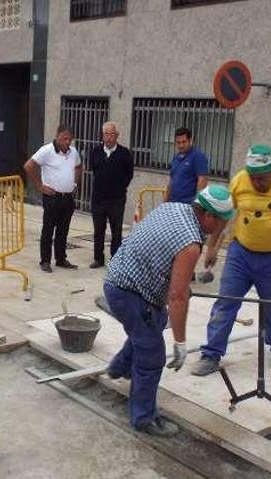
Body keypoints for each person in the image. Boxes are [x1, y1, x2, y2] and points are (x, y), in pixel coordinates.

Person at [103, 185, 234, 437]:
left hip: (121, 279)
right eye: (223, 222)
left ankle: (119, 367)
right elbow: (177, 298)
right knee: (152, 355)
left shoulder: (173, 207)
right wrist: (181, 342)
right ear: (208, 216)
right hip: (128, 292)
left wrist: (183, 279)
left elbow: (159, 251)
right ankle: (144, 418)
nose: (223, 228)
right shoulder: (191, 244)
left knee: (153, 324)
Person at [192, 144, 271, 375]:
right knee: (225, 303)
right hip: (241, 254)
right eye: (253, 177)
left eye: (262, 178)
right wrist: (212, 248)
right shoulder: (240, 181)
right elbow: (223, 214)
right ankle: (211, 354)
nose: (257, 183)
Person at [24, 125, 83, 273]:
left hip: (67, 198)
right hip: (52, 197)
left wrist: (75, 184)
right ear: (57, 136)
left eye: (70, 139)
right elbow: (29, 166)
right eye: (64, 138)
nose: (67, 142)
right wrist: (40, 186)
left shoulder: (73, 152)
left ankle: (61, 259)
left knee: (63, 230)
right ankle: (45, 261)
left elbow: (79, 166)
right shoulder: (47, 150)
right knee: (48, 229)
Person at [88, 121, 134, 269]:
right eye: (106, 134)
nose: (108, 137)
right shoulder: (95, 151)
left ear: (117, 136)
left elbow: (129, 174)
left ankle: (115, 259)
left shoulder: (124, 153)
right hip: (99, 198)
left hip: (117, 199)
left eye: (112, 134)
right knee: (98, 230)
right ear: (103, 135)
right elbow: (94, 170)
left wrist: (119, 188)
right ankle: (98, 258)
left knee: (116, 230)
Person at [165, 127, 208, 204]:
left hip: (188, 205)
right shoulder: (175, 158)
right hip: (173, 203)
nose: (181, 145)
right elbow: (171, 181)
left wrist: (196, 205)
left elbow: (202, 182)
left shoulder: (198, 157)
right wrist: (165, 202)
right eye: (178, 142)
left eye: (184, 142)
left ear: (190, 141)